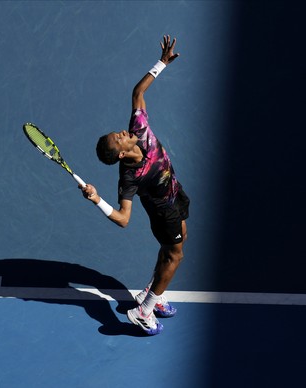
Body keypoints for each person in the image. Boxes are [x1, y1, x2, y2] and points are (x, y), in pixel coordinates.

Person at [80, 35, 189, 335]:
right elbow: (124, 219)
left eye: (118, 133)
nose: (121, 132)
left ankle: (151, 292)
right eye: (118, 138)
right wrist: (97, 199)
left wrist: (161, 63)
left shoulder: (138, 128)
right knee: (174, 255)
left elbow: (137, 91)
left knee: (175, 246)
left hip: (174, 193)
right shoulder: (129, 177)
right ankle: (144, 310)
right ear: (121, 153)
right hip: (163, 211)